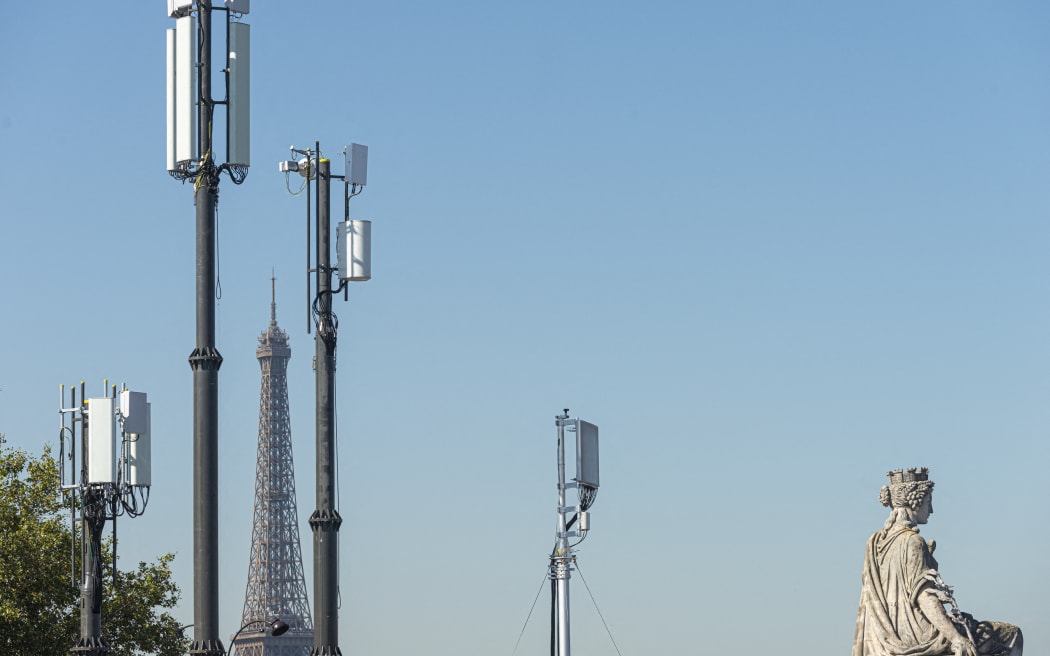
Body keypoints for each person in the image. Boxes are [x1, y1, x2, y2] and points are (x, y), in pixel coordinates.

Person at [852, 468, 1022, 656]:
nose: (931, 509)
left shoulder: (875, 542)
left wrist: (926, 559)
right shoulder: (912, 541)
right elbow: (924, 597)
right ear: (914, 502)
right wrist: (956, 638)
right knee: (1010, 634)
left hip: (886, 638)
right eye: (928, 502)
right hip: (920, 636)